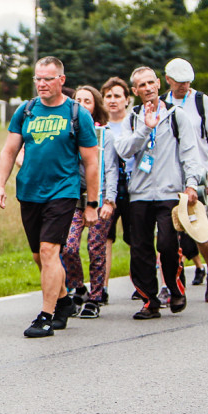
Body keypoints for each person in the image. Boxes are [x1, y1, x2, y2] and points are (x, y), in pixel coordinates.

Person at [0, 56, 99, 337]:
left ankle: (45, 315)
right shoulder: (26, 111)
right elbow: (8, 151)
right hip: (29, 191)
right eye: (37, 78)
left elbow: (91, 162)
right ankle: (64, 301)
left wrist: (91, 204)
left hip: (63, 190)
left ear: (61, 80)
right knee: (39, 256)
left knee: (51, 251)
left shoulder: (77, 114)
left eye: (47, 79)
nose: (41, 83)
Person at [114, 67, 203, 319]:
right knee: (140, 248)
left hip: (169, 192)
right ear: (135, 90)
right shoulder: (132, 118)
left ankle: (175, 288)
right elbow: (124, 151)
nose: (148, 88)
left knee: (166, 243)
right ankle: (149, 300)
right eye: (141, 85)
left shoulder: (176, 116)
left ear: (158, 83)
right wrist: (144, 129)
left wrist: (191, 184)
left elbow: (189, 152)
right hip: (140, 194)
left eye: (151, 82)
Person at [163, 58, 208, 299]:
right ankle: (170, 283)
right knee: (166, 235)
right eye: (179, 82)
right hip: (170, 176)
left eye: (188, 82)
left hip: (199, 175)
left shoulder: (201, 101)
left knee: (201, 231)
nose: (184, 86)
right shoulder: (162, 104)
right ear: (168, 80)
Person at [60, 86, 118, 319]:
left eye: (88, 101)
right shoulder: (68, 132)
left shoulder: (105, 135)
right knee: (68, 246)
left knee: (96, 248)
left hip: (100, 197)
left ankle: (95, 297)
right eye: (78, 100)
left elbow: (111, 170)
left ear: (95, 106)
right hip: (74, 198)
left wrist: (110, 201)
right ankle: (79, 287)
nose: (83, 104)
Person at [101, 77, 133, 289]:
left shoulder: (133, 124)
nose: (113, 101)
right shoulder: (100, 129)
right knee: (105, 239)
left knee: (136, 239)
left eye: (117, 96)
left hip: (132, 188)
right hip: (108, 190)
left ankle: (138, 284)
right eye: (108, 96)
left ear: (127, 99)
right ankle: (101, 287)